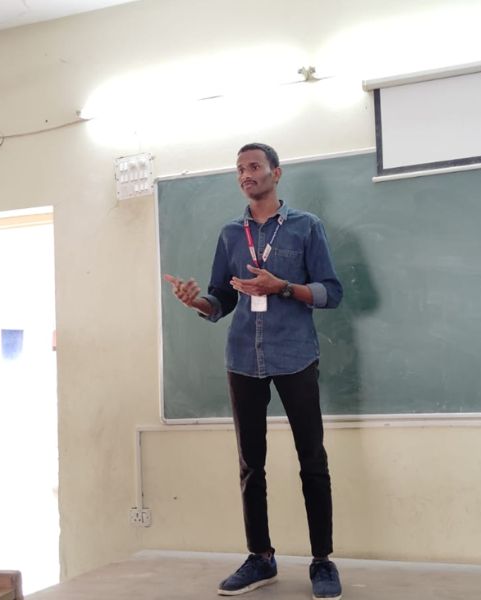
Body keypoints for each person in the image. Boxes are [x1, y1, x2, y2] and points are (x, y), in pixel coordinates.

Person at [164, 142, 344, 599]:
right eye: (240, 168)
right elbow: (221, 299)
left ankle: (322, 561)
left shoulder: (306, 227)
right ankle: (260, 557)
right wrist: (196, 302)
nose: (246, 174)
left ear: (275, 173)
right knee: (250, 464)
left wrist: (281, 286)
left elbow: (331, 292)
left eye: (255, 166)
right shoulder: (231, 233)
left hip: (295, 355)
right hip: (243, 358)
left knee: (312, 460)